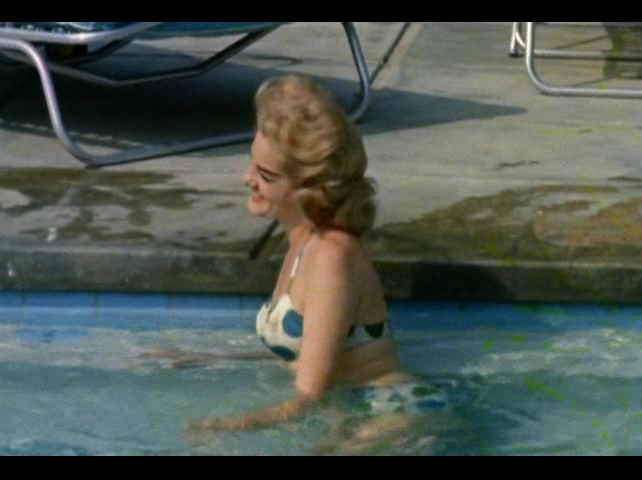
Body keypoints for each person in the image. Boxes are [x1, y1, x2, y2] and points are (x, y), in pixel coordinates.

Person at [147, 74, 451, 452]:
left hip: (391, 413)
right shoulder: (302, 241)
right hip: (352, 406)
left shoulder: (331, 260)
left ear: (308, 188)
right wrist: (208, 360)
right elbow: (308, 357)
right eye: (252, 164)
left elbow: (308, 396)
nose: (247, 179)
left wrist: (225, 426)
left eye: (265, 174)